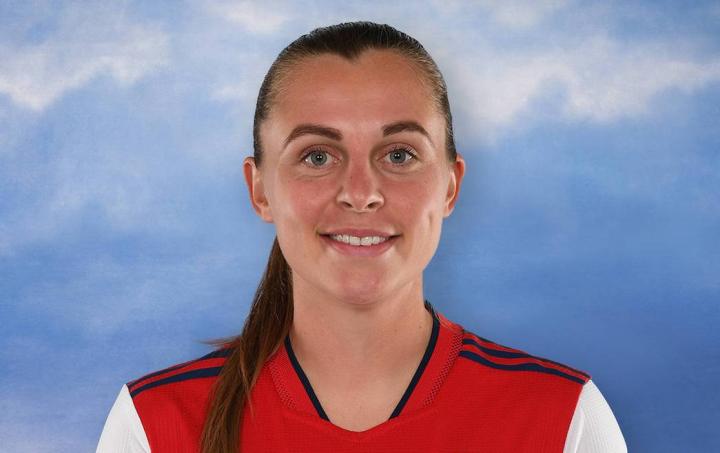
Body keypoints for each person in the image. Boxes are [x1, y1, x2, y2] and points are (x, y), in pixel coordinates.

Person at [96, 21, 627, 453]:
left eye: (399, 154)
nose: (360, 192)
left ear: (450, 186)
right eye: (316, 157)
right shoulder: (155, 424)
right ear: (259, 191)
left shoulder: (562, 419)